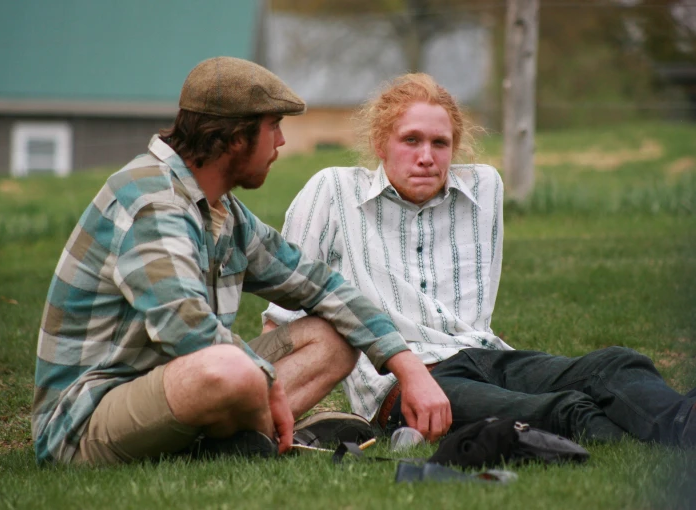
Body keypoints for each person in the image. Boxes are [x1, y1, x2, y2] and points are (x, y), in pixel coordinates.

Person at [31, 57, 449, 466]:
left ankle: (234, 442)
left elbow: (321, 285)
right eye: (273, 127)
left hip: (176, 386)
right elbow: (184, 325)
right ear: (233, 138)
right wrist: (265, 382)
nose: (281, 142)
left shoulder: (221, 212)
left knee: (334, 336)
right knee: (230, 368)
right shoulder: (151, 201)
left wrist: (409, 367)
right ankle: (251, 437)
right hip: (86, 420)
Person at [262, 72, 695, 448]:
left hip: (485, 357)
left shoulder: (484, 189)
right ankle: (638, 437)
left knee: (617, 364)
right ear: (380, 142)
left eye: (440, 143)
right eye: (410, 140)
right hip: (407, 383)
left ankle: (681, 425)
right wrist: (273, 403)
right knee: (566, 409)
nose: (427, 156)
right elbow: (282, 315)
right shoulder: (334, 192)